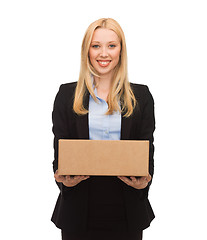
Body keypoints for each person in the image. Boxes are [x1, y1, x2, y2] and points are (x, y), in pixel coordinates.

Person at [51, 18, 155, 240]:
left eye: (111, 45)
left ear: (121, 51)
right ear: (87, 51)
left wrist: (145, 180)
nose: (103, 53)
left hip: (127, 211)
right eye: (96, 45)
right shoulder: (66, 95)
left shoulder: (141, 96)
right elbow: (60, 149)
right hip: (78, 211)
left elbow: (147, 148)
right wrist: (63, 177)